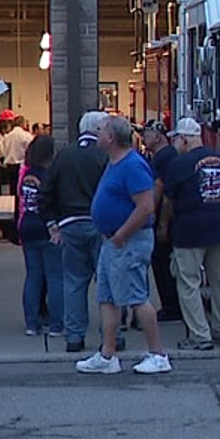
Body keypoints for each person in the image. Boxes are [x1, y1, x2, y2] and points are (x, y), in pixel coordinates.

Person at [76, 116, 169, 375]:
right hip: (111, 241)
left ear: (112, 138)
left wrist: (122, 234)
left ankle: (158, 354)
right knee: (107, 297)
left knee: (136, 296)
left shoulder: (132, 165)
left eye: (102, 130)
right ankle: (108, 354)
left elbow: (146, 206)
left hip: (128, 241)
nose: (97, 134)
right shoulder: (113, 162)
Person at [160, 118, 220, 352]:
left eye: (176, 139)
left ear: (184, 138)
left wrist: (163, 225)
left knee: (189, 282)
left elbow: (168, 200)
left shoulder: (180, 164)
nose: (174, 143)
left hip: (190, 229)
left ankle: (199, 335)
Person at [42, 110, 109, 354]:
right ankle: (111, 336)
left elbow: (46, 192)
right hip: (100, 224)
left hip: (69, 224)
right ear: (99, 130)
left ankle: (74, 336)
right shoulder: (105, 155)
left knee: (74, 282)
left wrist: (52, 223)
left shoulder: (63, 155)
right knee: (106, 282)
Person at [17, 133, 63, 337]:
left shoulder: (26, 176)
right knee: (54, 277)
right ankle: (55, 324)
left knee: (33, 276)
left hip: (28, 225)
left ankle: (31, 323)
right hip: (48, 227)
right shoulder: (50, 176)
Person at [142, 122, 183, 323]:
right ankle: (173, 304)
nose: (143, 138)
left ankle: (171, 306)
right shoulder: (168, 156)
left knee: (162, 263)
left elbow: (160, 187)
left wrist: (150, 212)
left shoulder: (162, 158)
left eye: (146, 133)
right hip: (172, 217)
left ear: (158, 136)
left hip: (164, 217)